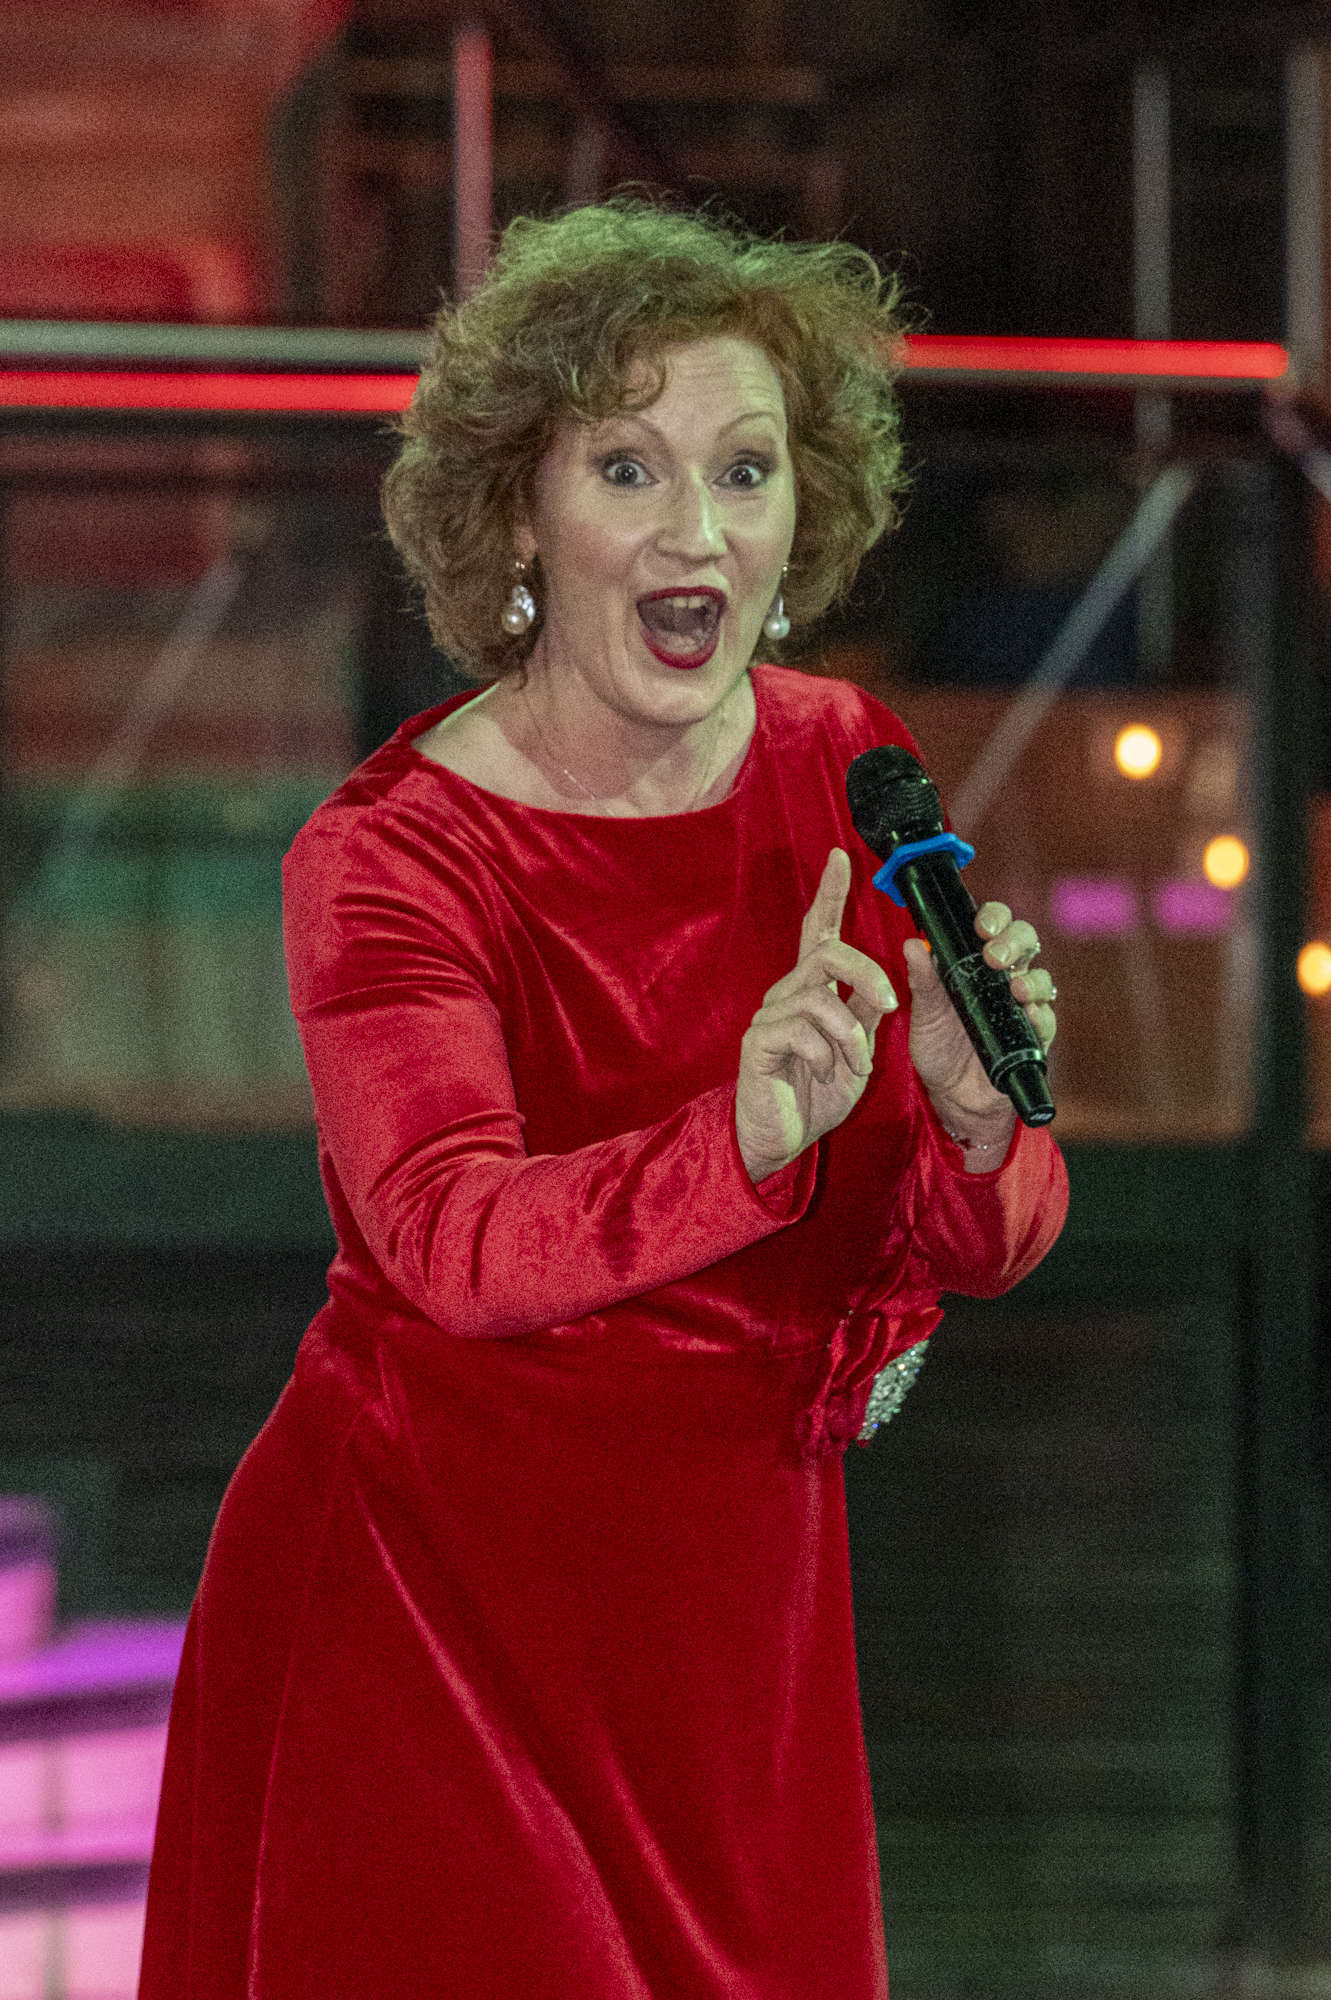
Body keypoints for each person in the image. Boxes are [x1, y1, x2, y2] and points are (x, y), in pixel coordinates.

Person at [138, 198, 1067, 2000]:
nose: (695, 529)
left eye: (743, 470)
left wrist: (971, 1121)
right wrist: (747, 1137)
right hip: (434, 1611)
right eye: (629, 469)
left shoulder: (846, 760)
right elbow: (451, 1242)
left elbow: (990, 1239)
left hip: (736, 1646)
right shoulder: (393, 856)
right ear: (519, 514)